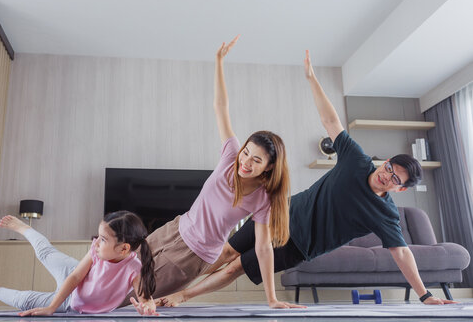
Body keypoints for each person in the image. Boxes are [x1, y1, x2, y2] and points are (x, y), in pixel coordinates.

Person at [156, 50, 456, 307]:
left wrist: (425, 294)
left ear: (400, 188)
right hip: (278, 214)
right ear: (386, 162)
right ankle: (168, 290)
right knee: (224, 252)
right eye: (389, 167)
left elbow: (402, 253)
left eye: (394, 179)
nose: (386, 175)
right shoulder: (357, 160)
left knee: (236, 267)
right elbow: (330, 120)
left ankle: (183, 296)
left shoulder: (386, 213)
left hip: (298, 245)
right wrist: (312, 78)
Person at [122, 36, 298, 309]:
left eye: (256, 160)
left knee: (129, 296)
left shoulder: (263, 198)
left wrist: (272, 298)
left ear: (270, 167)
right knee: (116, 270)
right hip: (173, 229)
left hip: (193, 255)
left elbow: (263, 248)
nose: (246, 162)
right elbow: (220, 106)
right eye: (247, 153)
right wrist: (218, 61)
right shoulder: (231, 155)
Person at [0, 212, 158, 316]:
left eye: (103, 239)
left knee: (23, 302)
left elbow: (145, 299)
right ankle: (25, 228)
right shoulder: (96, 251)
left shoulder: (134, 269)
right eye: (98, 236)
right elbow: (75, 277)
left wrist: (148, 310)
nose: (96, 242)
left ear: (124, 249)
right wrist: (51, 307)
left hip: (71, 303)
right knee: (46, 253)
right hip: (73, 275)